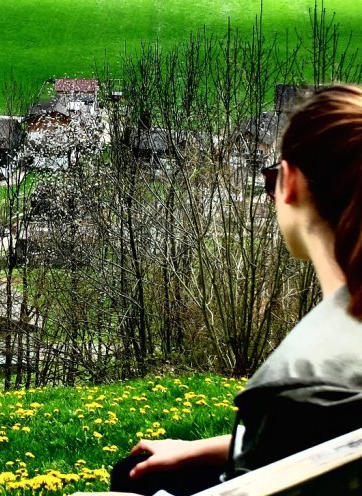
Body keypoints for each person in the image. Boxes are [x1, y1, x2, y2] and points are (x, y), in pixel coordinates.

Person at [110, 84, 362, 496]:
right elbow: (333, 439)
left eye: (272, 176)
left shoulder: (301, 387)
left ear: (291, 183)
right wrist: (212, 449)